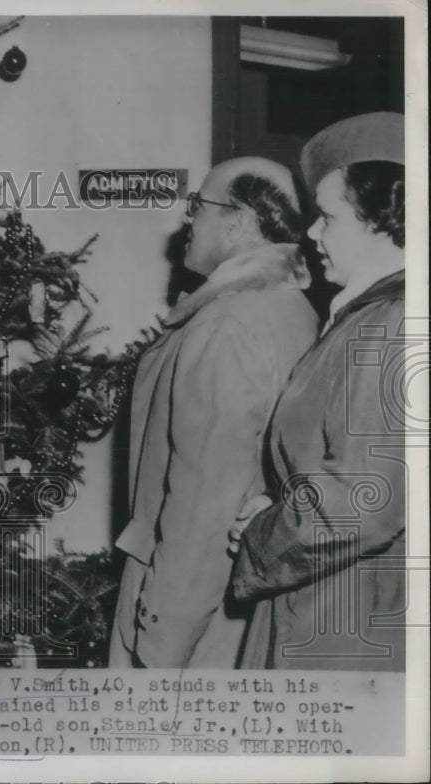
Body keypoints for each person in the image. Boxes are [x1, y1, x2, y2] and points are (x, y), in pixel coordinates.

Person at [109, 157, 319, 669]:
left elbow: (201, 507)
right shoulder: (292, 306)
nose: (188, 220)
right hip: (238, 595)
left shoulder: (226, 323)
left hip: (187, 606)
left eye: (197, 207)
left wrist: (159, 638)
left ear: (239, 222)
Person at [229, 112, 406, 672]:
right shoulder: (366, 314)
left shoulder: (393, 322)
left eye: (328, 217)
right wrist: (285, 504)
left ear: (386, 220)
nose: (311, 233)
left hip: (346, 621)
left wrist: (263, 537)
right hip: (330, 599)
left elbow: (365, 499)